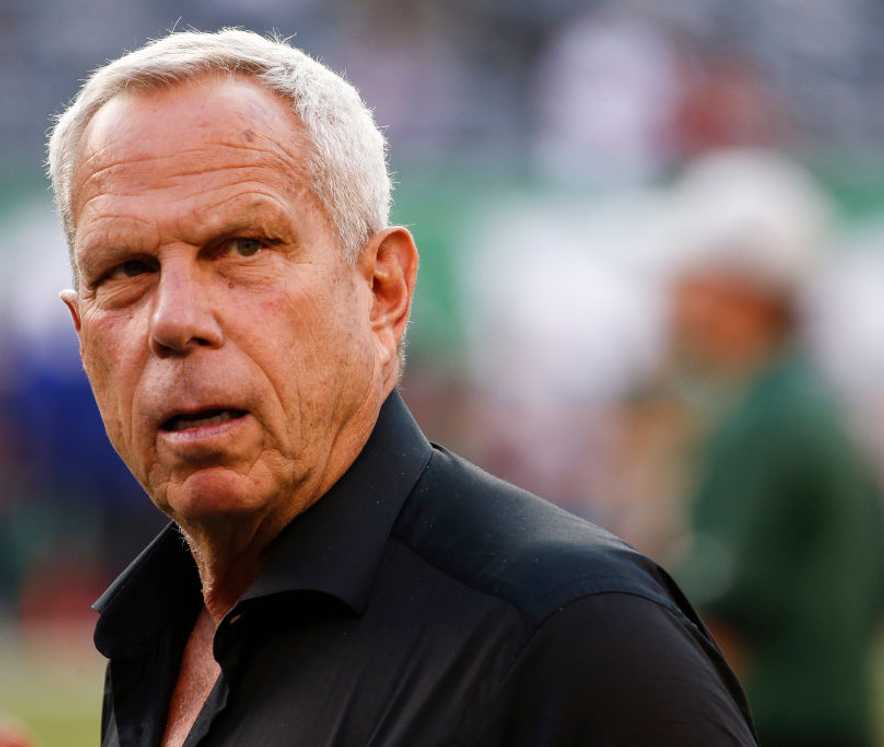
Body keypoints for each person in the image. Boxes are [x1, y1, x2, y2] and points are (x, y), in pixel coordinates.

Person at [45, 29, 756, 747]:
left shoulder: (571, 631)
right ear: (81, 334)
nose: (175, 321)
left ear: (383, 290)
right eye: (126, 269)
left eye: (244, 247)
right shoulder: (155, 632)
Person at [667, 151, 884, 747]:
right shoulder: (816, 406)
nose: (674, 301)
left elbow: (720, 625)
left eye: (690, 279)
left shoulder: (763, 424)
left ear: (740, 293)